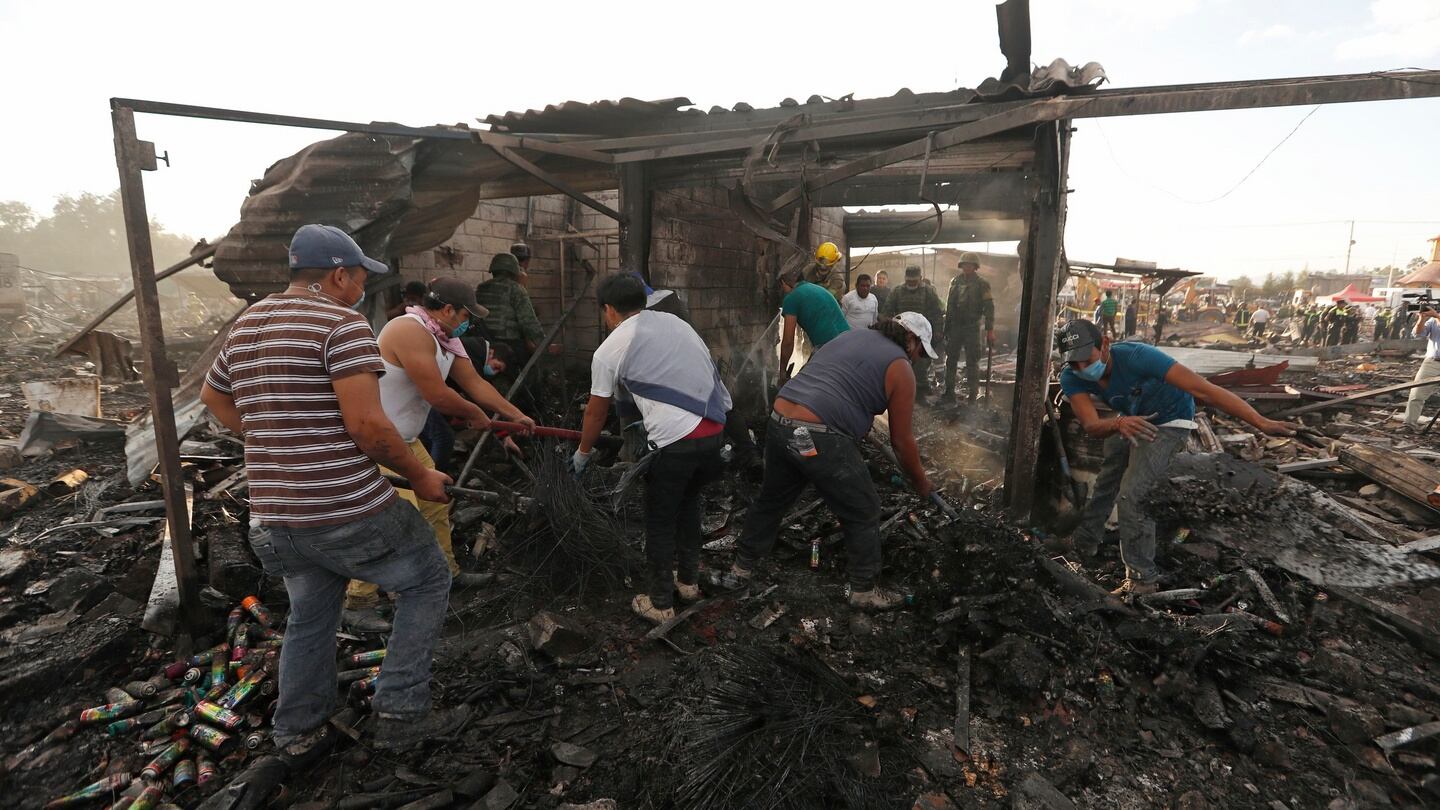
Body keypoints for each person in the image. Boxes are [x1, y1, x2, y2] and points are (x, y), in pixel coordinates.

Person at [199, 224, 464, 756]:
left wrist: (275, 440)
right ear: (339, 274)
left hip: (275, 518)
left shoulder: (249, 321)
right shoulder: (341, 323)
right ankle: (400, 711)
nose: (363, 287)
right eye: (362, 275)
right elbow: (369, 426)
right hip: (342, 507)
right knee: (428, 578)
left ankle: (296, 730)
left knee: (311, 614)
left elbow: (214, 397)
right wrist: (419, 477)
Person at [342, 279, 536, 632]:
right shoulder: (408, 330)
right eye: (465, 315)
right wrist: (477, 415)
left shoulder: (447, 338)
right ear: (448, 310)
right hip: (379, 442)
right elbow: (436, 393)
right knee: (391, 521)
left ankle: (448, 572)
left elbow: (476, 384)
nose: (468, 323)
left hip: (407, 440)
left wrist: (513, 414)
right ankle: (359, 601)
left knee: (436, 506)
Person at [1058, 320, 1296, 595]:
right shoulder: (1071, 376)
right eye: (1073, 364)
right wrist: (1118, 424)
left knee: (1134, 495)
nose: (1081, 370)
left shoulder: (1139, 357)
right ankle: (1086, 542)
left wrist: (1259, 421)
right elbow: (1090, 425)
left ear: (1106, 344)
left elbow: (1204, 390)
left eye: (1086, 360)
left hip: (1171, 417)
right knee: (1108, 477)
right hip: (1130, 418)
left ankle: (1142, 580)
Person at [730, 313, 937, 609]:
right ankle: (863, 591)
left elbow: (829, 381)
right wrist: (922, 483)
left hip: (780, 423)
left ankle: (741, 568)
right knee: (864, 509)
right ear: (911, 339)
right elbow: (901, 442)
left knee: (772, 499)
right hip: (817, 435)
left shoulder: (849, 336)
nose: (918, 358)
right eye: (920, 350)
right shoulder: (901, 367)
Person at [571, 274, 732, 623]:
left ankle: (660, 603)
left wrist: (583, 453)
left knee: (660, 519)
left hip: (676, 442)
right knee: (690, 504)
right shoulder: (675, 322)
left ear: (608, 310)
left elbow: (596, 411)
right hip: (715, 431)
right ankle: (688, 582)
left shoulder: (609, 349)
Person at [881, 265, 945, 403]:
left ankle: (919, 394)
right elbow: (887, 311)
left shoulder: (928, 292)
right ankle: (900, 392)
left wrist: (938, 331)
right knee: (900, 363)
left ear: (920, 279)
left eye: (914, 281)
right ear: (905, 279)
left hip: (921, 335)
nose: (911, 284)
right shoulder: (897, 291)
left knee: (921, 365)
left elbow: (936, 313)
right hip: (901, 334)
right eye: (908, 281)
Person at [778, 267, 850, 384]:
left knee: (802, 385)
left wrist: (782, 373)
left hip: (828, 347)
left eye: (780, 287)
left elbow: (787, 342)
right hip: (848, 341)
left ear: (784, 283)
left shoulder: (791, 298)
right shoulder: (816, 289)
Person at [475, 252, 547, 365]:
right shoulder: (516, 289)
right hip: (510, 345)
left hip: (484, 343)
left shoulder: (481, 288)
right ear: (514, 271)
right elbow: (529, 322)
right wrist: (543, 343)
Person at [942, 252, 995, 403]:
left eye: (970, 265)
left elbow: (989, 307)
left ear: (975, 266)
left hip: (972, 327)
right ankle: (949, 391)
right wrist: (947, 329)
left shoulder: (982, 283)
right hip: (956, 327)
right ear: (961, 265)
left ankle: (973, 395)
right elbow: (949, 306)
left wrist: (990, 330)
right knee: (950, 360)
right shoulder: (955, 282)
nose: (967, 267)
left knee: (973, 361)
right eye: (965, 264)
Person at [1403, 305, 1440, 430]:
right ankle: (1409, 424)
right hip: (1433, 362)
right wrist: (1421, 319)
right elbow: (1418, 333)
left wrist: (1436, 316)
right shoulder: (1433, 320)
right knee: (1416, 394)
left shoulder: (1436, 317)